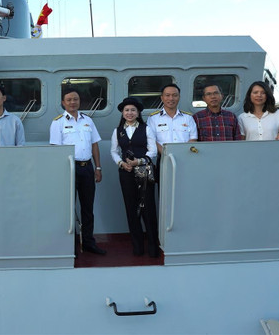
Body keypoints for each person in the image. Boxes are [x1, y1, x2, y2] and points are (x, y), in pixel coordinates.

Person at [50, 88, 105, 255]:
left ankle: (88, 242)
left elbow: (94, 145)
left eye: (75, 99)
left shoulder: (87, 121)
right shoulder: (57, 122)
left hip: (87, 168)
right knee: (68, 208)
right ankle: (69, 244)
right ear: (63, 102)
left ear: (79, 101)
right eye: (69, 99)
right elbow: (56, 150)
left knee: (88, 208)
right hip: (69, 169)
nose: (72, 102)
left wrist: (98, 167)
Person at [110, 97, 159, 257]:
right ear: (123, 113)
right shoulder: (117, 131)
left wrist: (140, 161)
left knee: (148, 208)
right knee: (131, 209)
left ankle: (153, 247)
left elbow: (152, 150)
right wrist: (121, 163)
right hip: (126, 173)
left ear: (138, 113)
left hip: (145, 172)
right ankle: (137, 246)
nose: (129, 113)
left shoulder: (146, 129)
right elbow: (114, 151)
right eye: (126, 110)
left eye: (132, 110)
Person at [147, 83, 198, 157]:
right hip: (163, 157)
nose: (171, 98)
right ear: (162, 98)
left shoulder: (188, 118)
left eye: (175, 95)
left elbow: (193, 138)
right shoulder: (153, 118)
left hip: (186, 157)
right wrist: (165, 154)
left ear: (179, 97)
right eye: (167, 95)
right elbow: (152, 140)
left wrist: (184, 154)